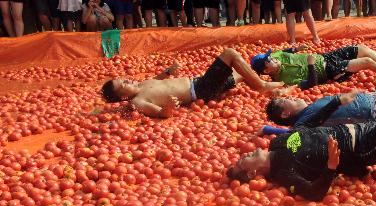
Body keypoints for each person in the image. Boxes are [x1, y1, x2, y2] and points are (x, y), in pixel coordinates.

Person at [227, 88, 376, 201]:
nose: (244, 155)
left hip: (363, 128)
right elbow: (314, 193)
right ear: (252, 174)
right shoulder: (284, 172)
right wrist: (331, 166)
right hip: (364, 147)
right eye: (242, 161)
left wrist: (337, 101)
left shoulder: (278, 144)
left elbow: (310, 123)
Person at [100, 48, 284, 118]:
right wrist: (169, 107)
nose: (127, 79)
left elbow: (157, 81)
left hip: (200, 83)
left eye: (123, 79)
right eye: (123, 83)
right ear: (123, 96)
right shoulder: (137, 102)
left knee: (242, 73)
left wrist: (168, 71)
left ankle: (270, 85)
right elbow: (161, 114)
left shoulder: (142, 85)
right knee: (229, 54)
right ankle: (262, 86)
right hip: (200, 90)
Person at [250, 43, 376, 90]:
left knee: (362, 49)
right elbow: (312, 83)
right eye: (268, 60)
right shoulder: (284, 79)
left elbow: (284, 51)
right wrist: (310, 66)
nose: (272, 58)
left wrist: (296, 50)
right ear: (266, 70)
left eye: (269, 56)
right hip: (329, 70)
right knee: (366, 62)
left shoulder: (275, 56)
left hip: (326, 56)